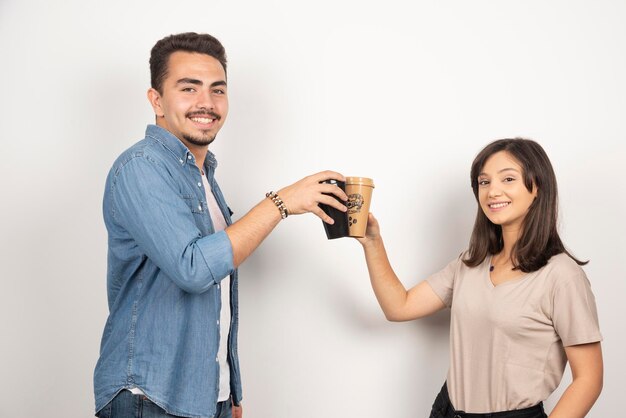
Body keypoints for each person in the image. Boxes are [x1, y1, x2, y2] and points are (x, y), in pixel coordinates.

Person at [93, 32, 347, 418]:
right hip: (149, 397)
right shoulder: (141, 167)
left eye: (217, 90)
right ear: (156, 100)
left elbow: (216, 296)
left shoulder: (204, 178)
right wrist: (279, 203)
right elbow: (194, 269)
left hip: (203, 399)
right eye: (188, 88)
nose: (206, 103)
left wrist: (229, 392)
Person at [356, 138, 603, 418]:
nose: (492, 191)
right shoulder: (469, 263)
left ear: (537, 187)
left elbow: (589, 380)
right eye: (484, 182)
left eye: (508, 179)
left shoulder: (562, 276)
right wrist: (372, 242)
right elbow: (398, 306)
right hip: (447, 411)